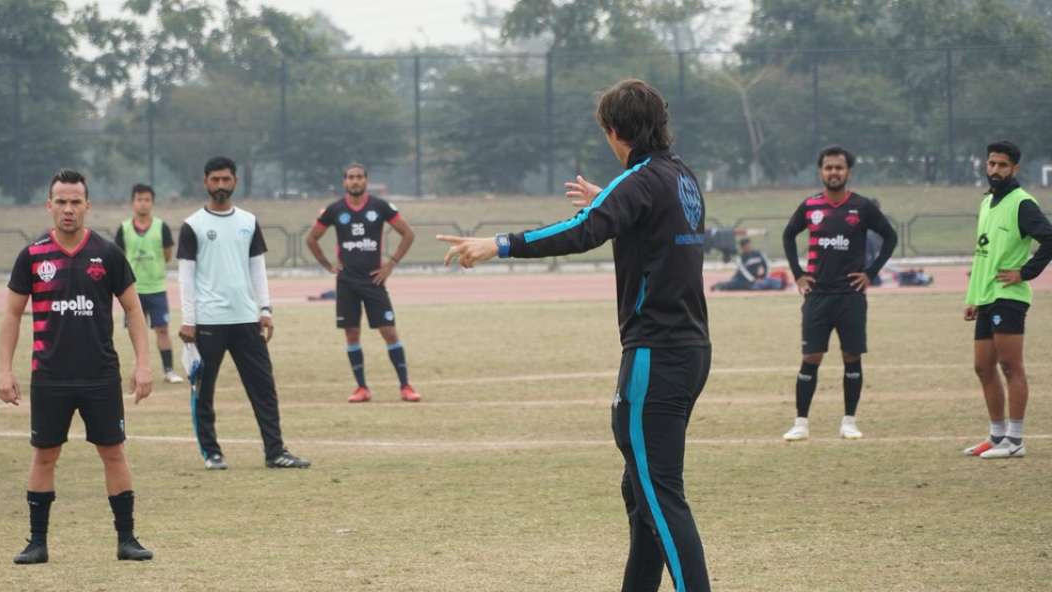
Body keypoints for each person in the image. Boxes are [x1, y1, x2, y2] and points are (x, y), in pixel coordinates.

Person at [439, 79, 713, 592]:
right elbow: (645, 220)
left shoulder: (639, 182)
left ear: (614, 130)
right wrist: (609, 199)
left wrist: (500, 244)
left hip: (655, 355)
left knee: (660, 496)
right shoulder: (680, 175)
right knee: (641, 493)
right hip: (691, 349)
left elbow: (583, 230)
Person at [0, 169, 154, 565]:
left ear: (87, 205)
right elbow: (12, 314)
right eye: (61, 201)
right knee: (44, 456)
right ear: (49, 205)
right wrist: (4, 370)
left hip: (100, 375)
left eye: (75, 202)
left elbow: (134, 310)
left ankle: (127, 539)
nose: (68, 209)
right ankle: (37, 543)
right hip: (50, 376)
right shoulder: (32, 256)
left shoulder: (107, 253)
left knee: (113, 453)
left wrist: (143, 364)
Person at [177, 156, 310, 471]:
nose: (220, 185)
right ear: (205, 182)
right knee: (203, 390)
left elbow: (257, 269)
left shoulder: (248, 221)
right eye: (215, 180)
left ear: (235, 181)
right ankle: (212, 453)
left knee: (263, 388)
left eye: (226, 179)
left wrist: (265, 309)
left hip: (247, 319)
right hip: (208, 321)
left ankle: (275, 451)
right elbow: (186, 276)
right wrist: (188, 320)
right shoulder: (193, 225)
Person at [780, 146, 897, 442]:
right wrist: (797, 273)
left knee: (851, 356)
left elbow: (890, 236)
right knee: (811, 356)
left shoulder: (862, 207)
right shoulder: (810, 206)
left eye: (839, 168)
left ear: (848, 172)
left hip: (850, 296)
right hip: (817, 295)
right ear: (821, 171)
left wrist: (871, 272)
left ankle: (849, 422)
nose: (834, 172)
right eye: (829, 167)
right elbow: (788, 234)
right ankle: (801, 423)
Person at [963, 140, 1052, 459]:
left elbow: (1049, 238)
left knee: (1010, 366)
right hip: (986, 296)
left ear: (1015, 168)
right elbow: (983, 252)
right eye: (992, 164)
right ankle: (997, 435)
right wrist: (973, 296)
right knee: (982, 368)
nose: (995, 170)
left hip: (1009, 297)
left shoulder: (1022, 203)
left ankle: (1015, 440)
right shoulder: (987, 202)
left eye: (1002, 165)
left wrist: (1025, 272)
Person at [305, 163, 421, 403]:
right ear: (344, 182)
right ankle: (362, 388)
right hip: (346, 282)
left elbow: (408, 234)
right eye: (351, 177)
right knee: (351, 333)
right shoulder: (335, 209)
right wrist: (327, 265)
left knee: (388, 331)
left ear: (366, 180)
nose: (355, 181)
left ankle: (405, 386)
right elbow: (312, 238)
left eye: (359, 177)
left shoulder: (379, 206)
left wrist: (391, 264)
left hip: (373, 281)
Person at [115, 183, 183, 384]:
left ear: (152, 203)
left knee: (162, 330)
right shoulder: (124, 229)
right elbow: (119, 257)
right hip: (132, 290)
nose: (143, 204)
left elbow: (167, 255)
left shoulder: (161, 227)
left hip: (156, 288)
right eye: (139, 199)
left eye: (147, 200)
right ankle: (139, 369)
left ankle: (169, 371)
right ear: (132, 202)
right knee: (136, 332)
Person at [711, 238, 782, 291]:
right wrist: (753, 280)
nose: (748, 247)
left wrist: (764, 277)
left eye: (749, 245)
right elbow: (744, 272)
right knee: (733, 285)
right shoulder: (740, 258)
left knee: (772, 282)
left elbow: (766, 265)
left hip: (756, 278)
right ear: (742, 248)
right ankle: (718, 286)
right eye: (746, 246)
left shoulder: (758, 254)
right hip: (742, 279)